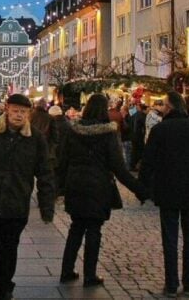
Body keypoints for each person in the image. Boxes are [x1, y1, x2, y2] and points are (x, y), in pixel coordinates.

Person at [0, 94, 56, 300]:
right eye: (15, 110)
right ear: (7, 109)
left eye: (23, 111)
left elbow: (45, 174)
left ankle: (5, 286)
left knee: (9, 249)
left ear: (29, 113)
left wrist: (46, 207)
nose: (19, 115)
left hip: (16, 204)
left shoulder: (35, 139)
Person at [57, 94, 147, 287]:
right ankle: (90, 275)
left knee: (76, 228)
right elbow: (119, 168)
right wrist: (139, 189)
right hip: (98, 187)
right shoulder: (108, 133)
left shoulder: (73, 131)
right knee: (94, 230)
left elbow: (62, 160)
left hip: (76, 185)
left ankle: (66, 270)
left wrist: (58, 187)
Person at [140, 91, 189, 298]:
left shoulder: (160, 130)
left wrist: (142, 188)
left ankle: (171, 284)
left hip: (168, 190)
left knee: (170, 239)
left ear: (170, 107)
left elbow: (148, 161)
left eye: (163, 105)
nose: (161, 108)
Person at [30, 98, 58, 170]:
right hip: (45, 148)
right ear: (45, 107)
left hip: (31, 146)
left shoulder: (30, 116)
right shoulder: (50, 118)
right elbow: (55, 137)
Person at [130, 103, 148, 171]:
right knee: (139, 152)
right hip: (139, 136)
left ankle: (132, 165)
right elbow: (145, 126)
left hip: (133, 136)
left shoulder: (133, 115)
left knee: (134, 151)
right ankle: (137, 166)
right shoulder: (143, 116)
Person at [119, 104, 133, 170]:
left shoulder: (128, 118)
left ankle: (126, 169)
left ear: (125, 111)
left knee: (126, 155)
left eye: (121, 110)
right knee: (126, 155)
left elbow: (126, 128)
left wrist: (123, 119)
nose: (120, 111)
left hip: (127, 139)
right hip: (125, 139)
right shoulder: (128, 117)